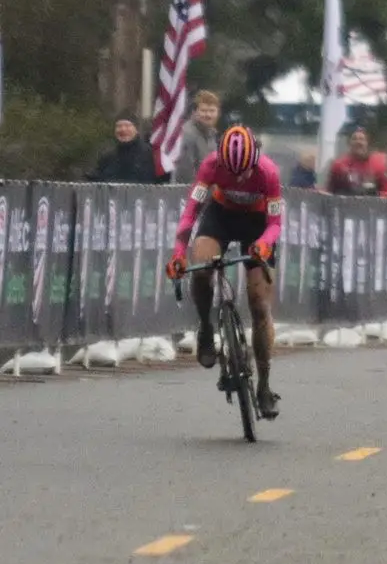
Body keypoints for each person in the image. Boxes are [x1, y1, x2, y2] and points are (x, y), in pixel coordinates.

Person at [164, 125, 285, 420]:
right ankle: (206, 328)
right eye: (233, 173)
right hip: (220, 217)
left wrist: (264, 245)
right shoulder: (211, 165)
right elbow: (191, 212)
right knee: (202, 268)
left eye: (245, 172)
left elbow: (275, 224)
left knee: (259, 304)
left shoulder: (268, 172)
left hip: (258, 225)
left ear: (254, 159)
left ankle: (265, 385)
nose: (240, 178)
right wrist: (179, 253)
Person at [87, 113, 160, 184]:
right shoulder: (107, 157)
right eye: (119, 126)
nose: (123, 129)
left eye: (127, 126)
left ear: (136, 129)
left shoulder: (151, 155)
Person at [326, 127, 387, 197]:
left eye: (361, 139)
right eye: (354, 139)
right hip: (345, 206)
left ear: (367, 143)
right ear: (349, 143)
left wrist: (375, 194)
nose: (358, 142)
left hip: (370, 206)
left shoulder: (378, 165)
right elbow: (329, 193)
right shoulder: (338, 165)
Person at [174, 90, 221, 184]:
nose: (208, 115)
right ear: (194, 112)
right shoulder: (187, 135)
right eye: (203, 111)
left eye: (212, 111)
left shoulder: (212, 135)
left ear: (218, 113)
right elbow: (185, 176)